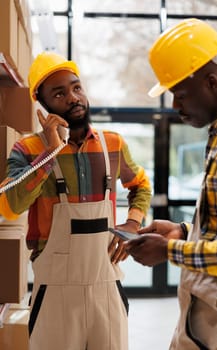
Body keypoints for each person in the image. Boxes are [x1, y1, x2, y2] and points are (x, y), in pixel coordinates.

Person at [0, 52, 151, 350]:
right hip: (54, 292)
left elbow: (141, 186)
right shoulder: (27, 149)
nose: (73, 98)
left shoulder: (113, 144)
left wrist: (133, 222)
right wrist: (51, 151)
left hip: (106, 285)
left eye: (76, 87)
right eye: (59, 93)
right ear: (43, 106)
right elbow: (9, 204)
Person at [124, 18, 217, 350]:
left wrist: (170, 250)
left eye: (180, 94)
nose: (174, 106)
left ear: (211, 83)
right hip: (206, 320)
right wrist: (183, 232)